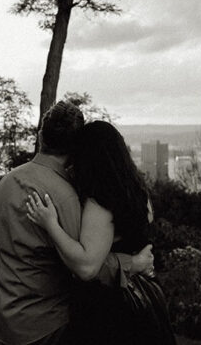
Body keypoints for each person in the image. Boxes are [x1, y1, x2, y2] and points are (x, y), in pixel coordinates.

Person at [0, 102, 153, 345]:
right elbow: (87, 267)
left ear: (41, 135)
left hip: (5, 322)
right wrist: (133, 263)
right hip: (47, 325)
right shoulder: (67, 197)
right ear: (75, 147)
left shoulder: (5, 184)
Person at [26, 120, 176, 345]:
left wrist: (51, 224)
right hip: (146, 300)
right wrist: (133, 262)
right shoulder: (138, 194)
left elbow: (86, 267)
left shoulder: (101, 203)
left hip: (109, 310)